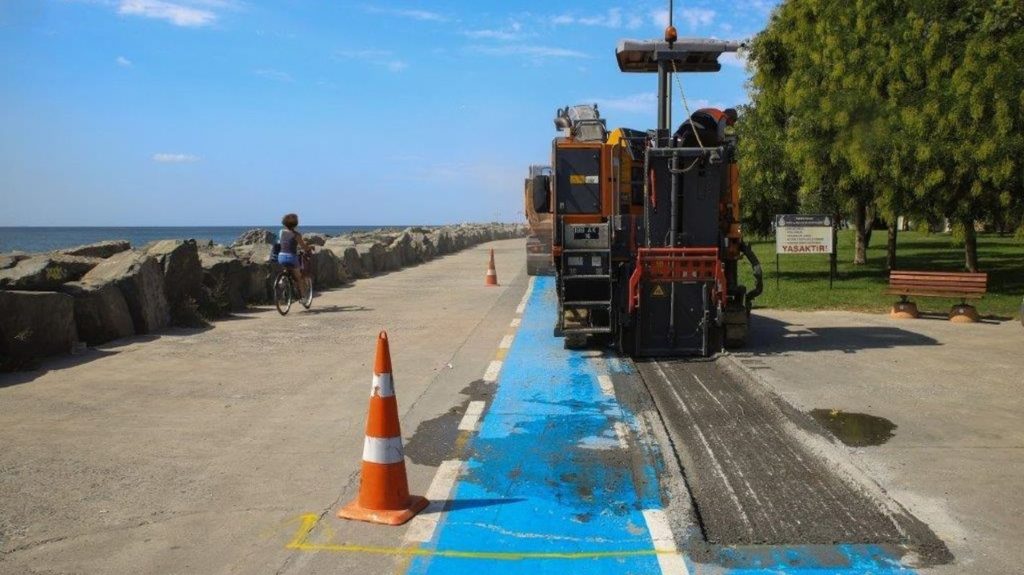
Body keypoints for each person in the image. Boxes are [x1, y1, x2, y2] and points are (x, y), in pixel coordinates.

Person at [278, 213, 313, 299]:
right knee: (299, 278)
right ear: (296, 224)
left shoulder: (281, 232)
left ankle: (283, 280)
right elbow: (304, 247)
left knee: (286, 267)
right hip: (291, 257)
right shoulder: (297, 235)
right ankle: (303, 298)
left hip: (281, 256)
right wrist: (310, 248)